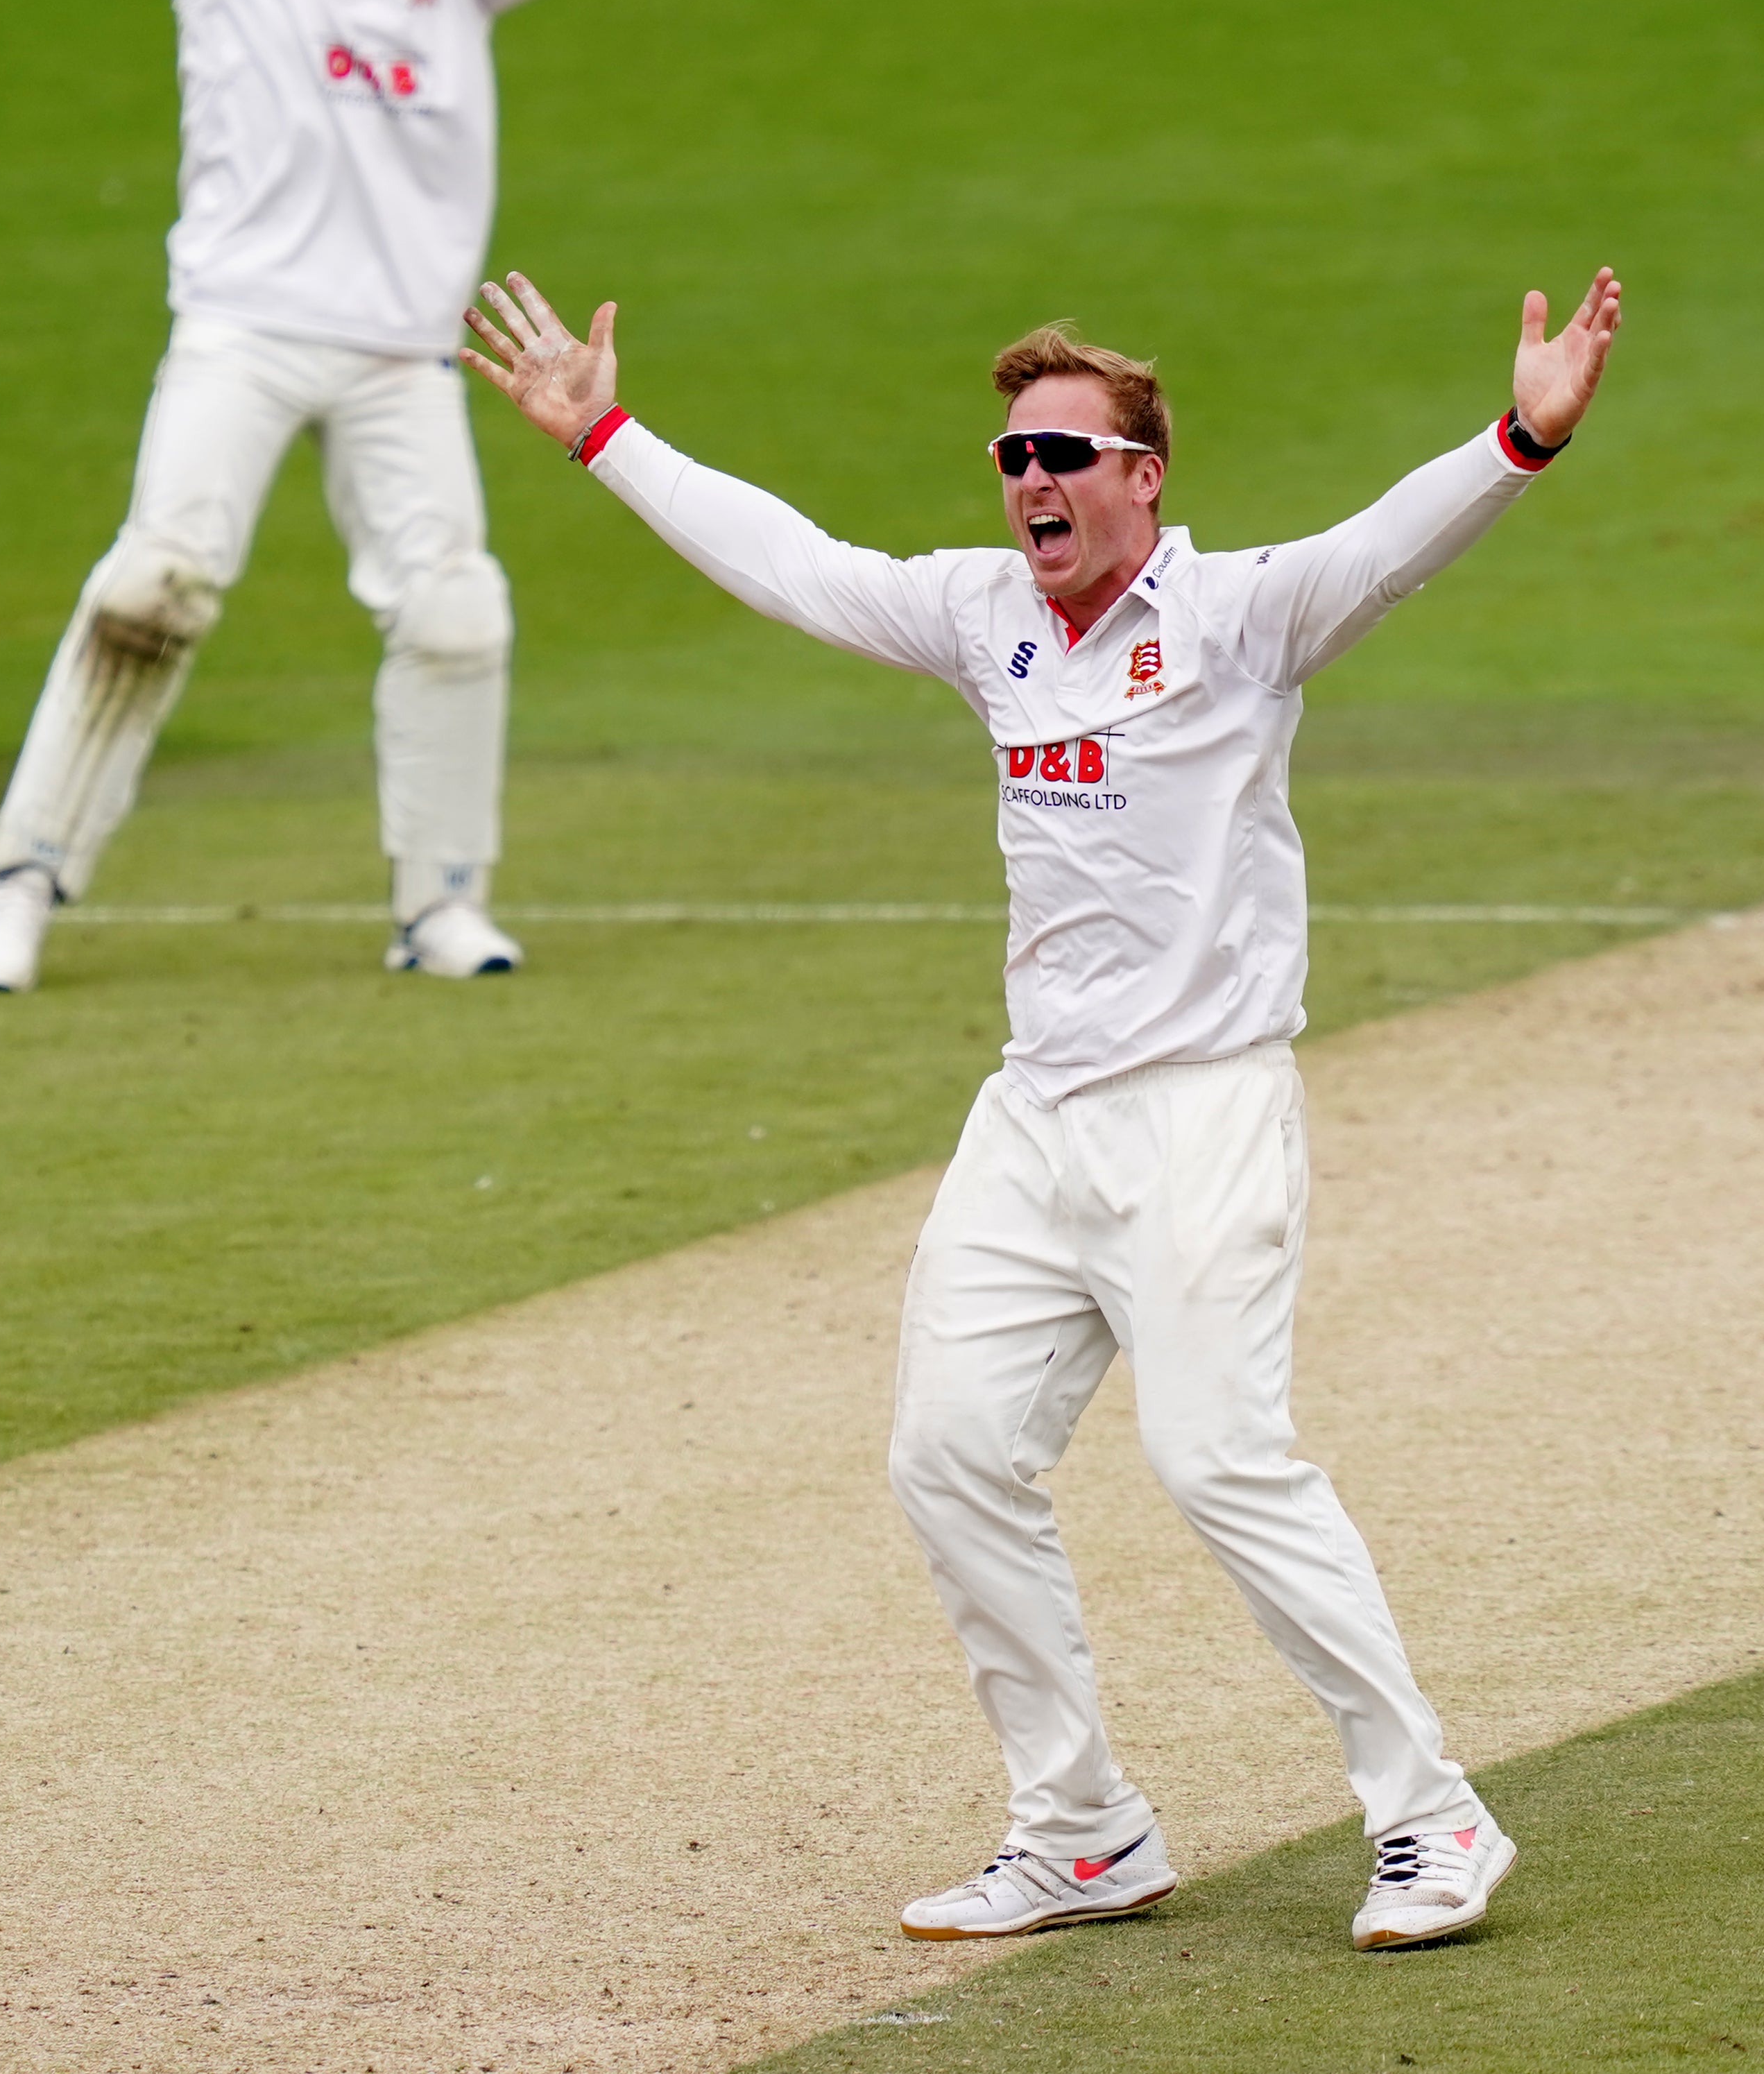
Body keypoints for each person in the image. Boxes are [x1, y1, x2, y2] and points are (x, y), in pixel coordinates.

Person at [459, 261, 1622, 1951]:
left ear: (1146, 475)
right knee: (947, 1456)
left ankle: (1431, 1815)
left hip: (1204, 1111)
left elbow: (1389, 543)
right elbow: (797, 565)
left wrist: (1520, 434)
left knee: (1218, 1460)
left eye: (1065, 458)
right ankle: (1081, 1829)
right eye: (1012, 460)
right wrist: (604, 436)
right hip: (1035, 1122)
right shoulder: (983, 616)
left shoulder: (1243, 616)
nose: (1034, 488)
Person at [0, 0, 630, 993]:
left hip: (403, 350)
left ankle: (442, 901)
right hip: (246, 326)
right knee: (157, 587)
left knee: (456, 606)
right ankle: (22, 879)